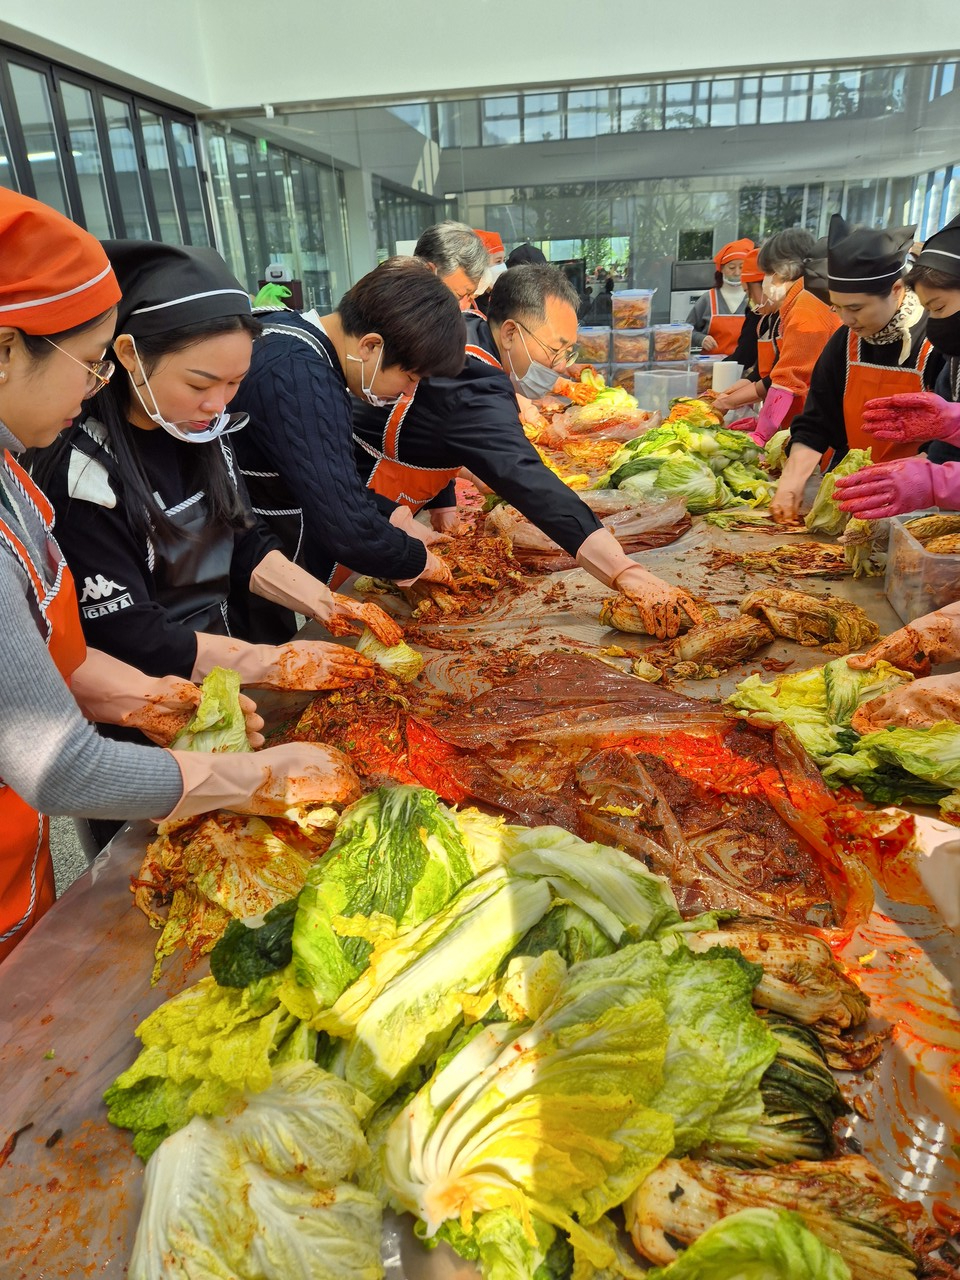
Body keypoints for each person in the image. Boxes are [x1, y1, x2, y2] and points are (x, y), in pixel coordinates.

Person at [0, 189, 359, 960]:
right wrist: (257, 777)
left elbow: (41, 659)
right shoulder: (72, 466)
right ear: (5, 349)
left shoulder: (11, 478)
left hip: (22, 859)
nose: (91, 388)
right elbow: (55, 757)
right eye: (89, 363)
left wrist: (147, 696)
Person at [35, 240, 401, 675]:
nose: (217, 404)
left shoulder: (204, 430)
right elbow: (130, 632)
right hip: (147, 692)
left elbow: (243, 538)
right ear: (130, 354)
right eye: (199, 385)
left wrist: (328, 604)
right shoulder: (83, 476)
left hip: (220, 659)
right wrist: (272, 663)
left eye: (234, 384)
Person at [351, 264, 702, 639]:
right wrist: (625, 572)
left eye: (570, 350)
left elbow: (436, 427)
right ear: (510, 333)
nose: (562, 365)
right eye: (555, 349)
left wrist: (443, 504)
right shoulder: (472, 381)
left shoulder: (468, 330)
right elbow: (531, 483)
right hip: (359, 498)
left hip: (389, 498)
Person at [226, 257, 465, 611]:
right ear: (371, 346)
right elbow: (348, 529)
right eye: (410, 377)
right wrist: (420, 562)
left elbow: (325, 478)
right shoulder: (300, 373)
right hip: (248, 577)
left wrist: (394, 517)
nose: (407, 394)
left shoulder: (293, 341)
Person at [769, 215, 933, 524]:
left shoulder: (935, 342)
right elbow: (817, 422)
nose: (846, 320)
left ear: (896, 289)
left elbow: (947, 447)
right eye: (837, 307)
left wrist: (896, 481)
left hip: (916, 508)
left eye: (856, 308)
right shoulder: (845, 342)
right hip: (851, 498)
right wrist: (792, 481)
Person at [832, 212, 960, 520]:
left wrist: (938, 483)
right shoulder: (955, 364)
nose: (936, 323)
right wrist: (952, 427)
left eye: (940, 308)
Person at [722, 228, 842, 447]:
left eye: (769, 273)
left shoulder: (807, 306)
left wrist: (762, 433)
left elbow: (786, 382)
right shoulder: (796, 303)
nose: (769, 280)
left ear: (781, 271)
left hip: (816, 428)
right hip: (799, 423)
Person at [687, 238, 753, 355]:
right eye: (731, 267)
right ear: (721, 269)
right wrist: (700, 339)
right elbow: (686, 331)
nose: (737, 273)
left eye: (742, 267)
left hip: (745, 369)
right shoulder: (708, 299)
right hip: (711, 369)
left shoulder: (755, 300)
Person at [413, 220, 489, 309]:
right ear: (427, 271)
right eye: (459, 296)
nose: (465, 307)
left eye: (470, 297)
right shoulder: (397, 316)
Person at [471, 229, 507, 316]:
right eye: (498, 261)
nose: (504, 268)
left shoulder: (500, 298)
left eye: (504, 260)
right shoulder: (467, 303)